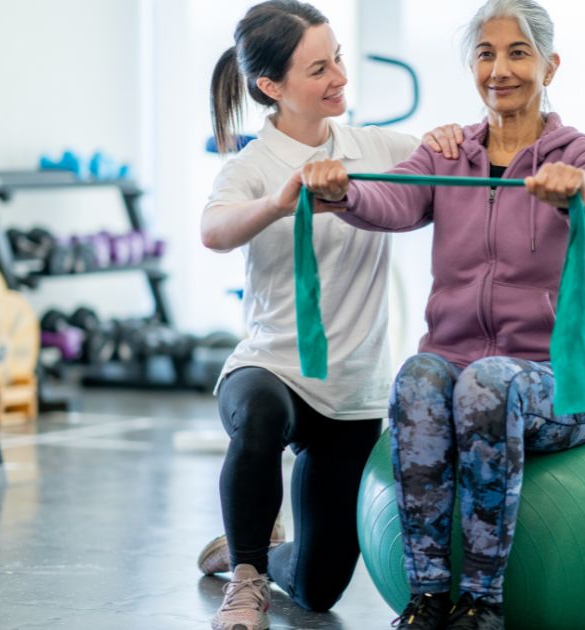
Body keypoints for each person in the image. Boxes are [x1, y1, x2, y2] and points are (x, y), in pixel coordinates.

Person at [300, 1, 585, 628]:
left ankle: (482, 604)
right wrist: (342, 191)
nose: (500, 68)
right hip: (461, 371)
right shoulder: (447, 154)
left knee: (485, 385)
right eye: (485, 53)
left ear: (550, 65)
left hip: (564, 383)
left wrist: (576, 191)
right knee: (421, 376)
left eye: (518, 52)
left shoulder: (580, 153)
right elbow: (389, 196)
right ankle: (426, 598)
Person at [199, 2, 462, 629]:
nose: (340, 76)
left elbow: (449, 163)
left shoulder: (376, 147)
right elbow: (213, 230)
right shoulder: (251, 167)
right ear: (272, 87)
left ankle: (251, 551)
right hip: (273, 368)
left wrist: (455, 140)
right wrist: (277, 203)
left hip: (351, 391)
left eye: (338, 57)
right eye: (319, 68)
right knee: (258, 416)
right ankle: (246, 577)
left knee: (319, 591)